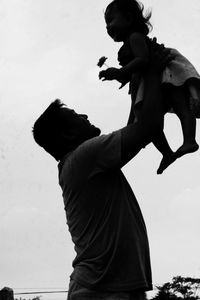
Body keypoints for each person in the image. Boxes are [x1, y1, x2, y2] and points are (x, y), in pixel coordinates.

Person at [32, 44, 172, 300]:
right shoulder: (85, 156)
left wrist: (136, 85)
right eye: (75, 115)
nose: (84, 115)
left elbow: (135, 128)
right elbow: (149, 126)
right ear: (67, 134)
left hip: (110, 287)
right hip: (102, 290)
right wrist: (152, 69)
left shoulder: (82, 163)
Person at [99, 0, 200, 174]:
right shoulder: (127, 45)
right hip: (150, 80)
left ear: (129, 18)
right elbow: (134, 69)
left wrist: (120, 72)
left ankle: (188, 141)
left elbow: (143, 59)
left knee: (178, 104)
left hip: (164, 73)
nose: (107, 27)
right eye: (106, 23)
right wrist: (120, 76)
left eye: (111, 20)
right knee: (151, 121)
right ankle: (170, 151)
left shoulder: (135, 37)